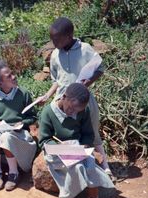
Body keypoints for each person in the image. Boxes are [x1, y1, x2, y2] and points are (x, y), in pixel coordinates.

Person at [39, 17, 113, 177]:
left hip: (82, 101)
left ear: (68, 36)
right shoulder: (54, 55)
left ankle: (105, 165)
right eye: (51, 38)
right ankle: (74, 165)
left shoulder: (85, 49)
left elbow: (100, 68)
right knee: (67, 133)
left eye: (56, 39)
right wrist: (47, 95)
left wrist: (89, 81)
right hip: (63, 101)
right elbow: (57, 81)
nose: (53, 42)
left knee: (92, 131)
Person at [39, 83, 115, 198]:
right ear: (64, 97)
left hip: (78, 150)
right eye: (71, 108)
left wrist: (83, 146)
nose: (73, 112)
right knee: (75, 166)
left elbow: (88, 135)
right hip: (56, 153)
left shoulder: (83, 111)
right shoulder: (48, 112)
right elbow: (44, 141)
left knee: (90, 165)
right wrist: (61, 147)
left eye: (77, 110)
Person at [0, 60, 37, 191]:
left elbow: (32, 117)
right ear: (0, 83)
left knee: (7, 138)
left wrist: (23, 123)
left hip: (19, 132)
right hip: (2, 130)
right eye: (9, 76)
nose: (14, 77)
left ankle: (14, 173)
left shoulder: (23, 93)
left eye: (12, 73)